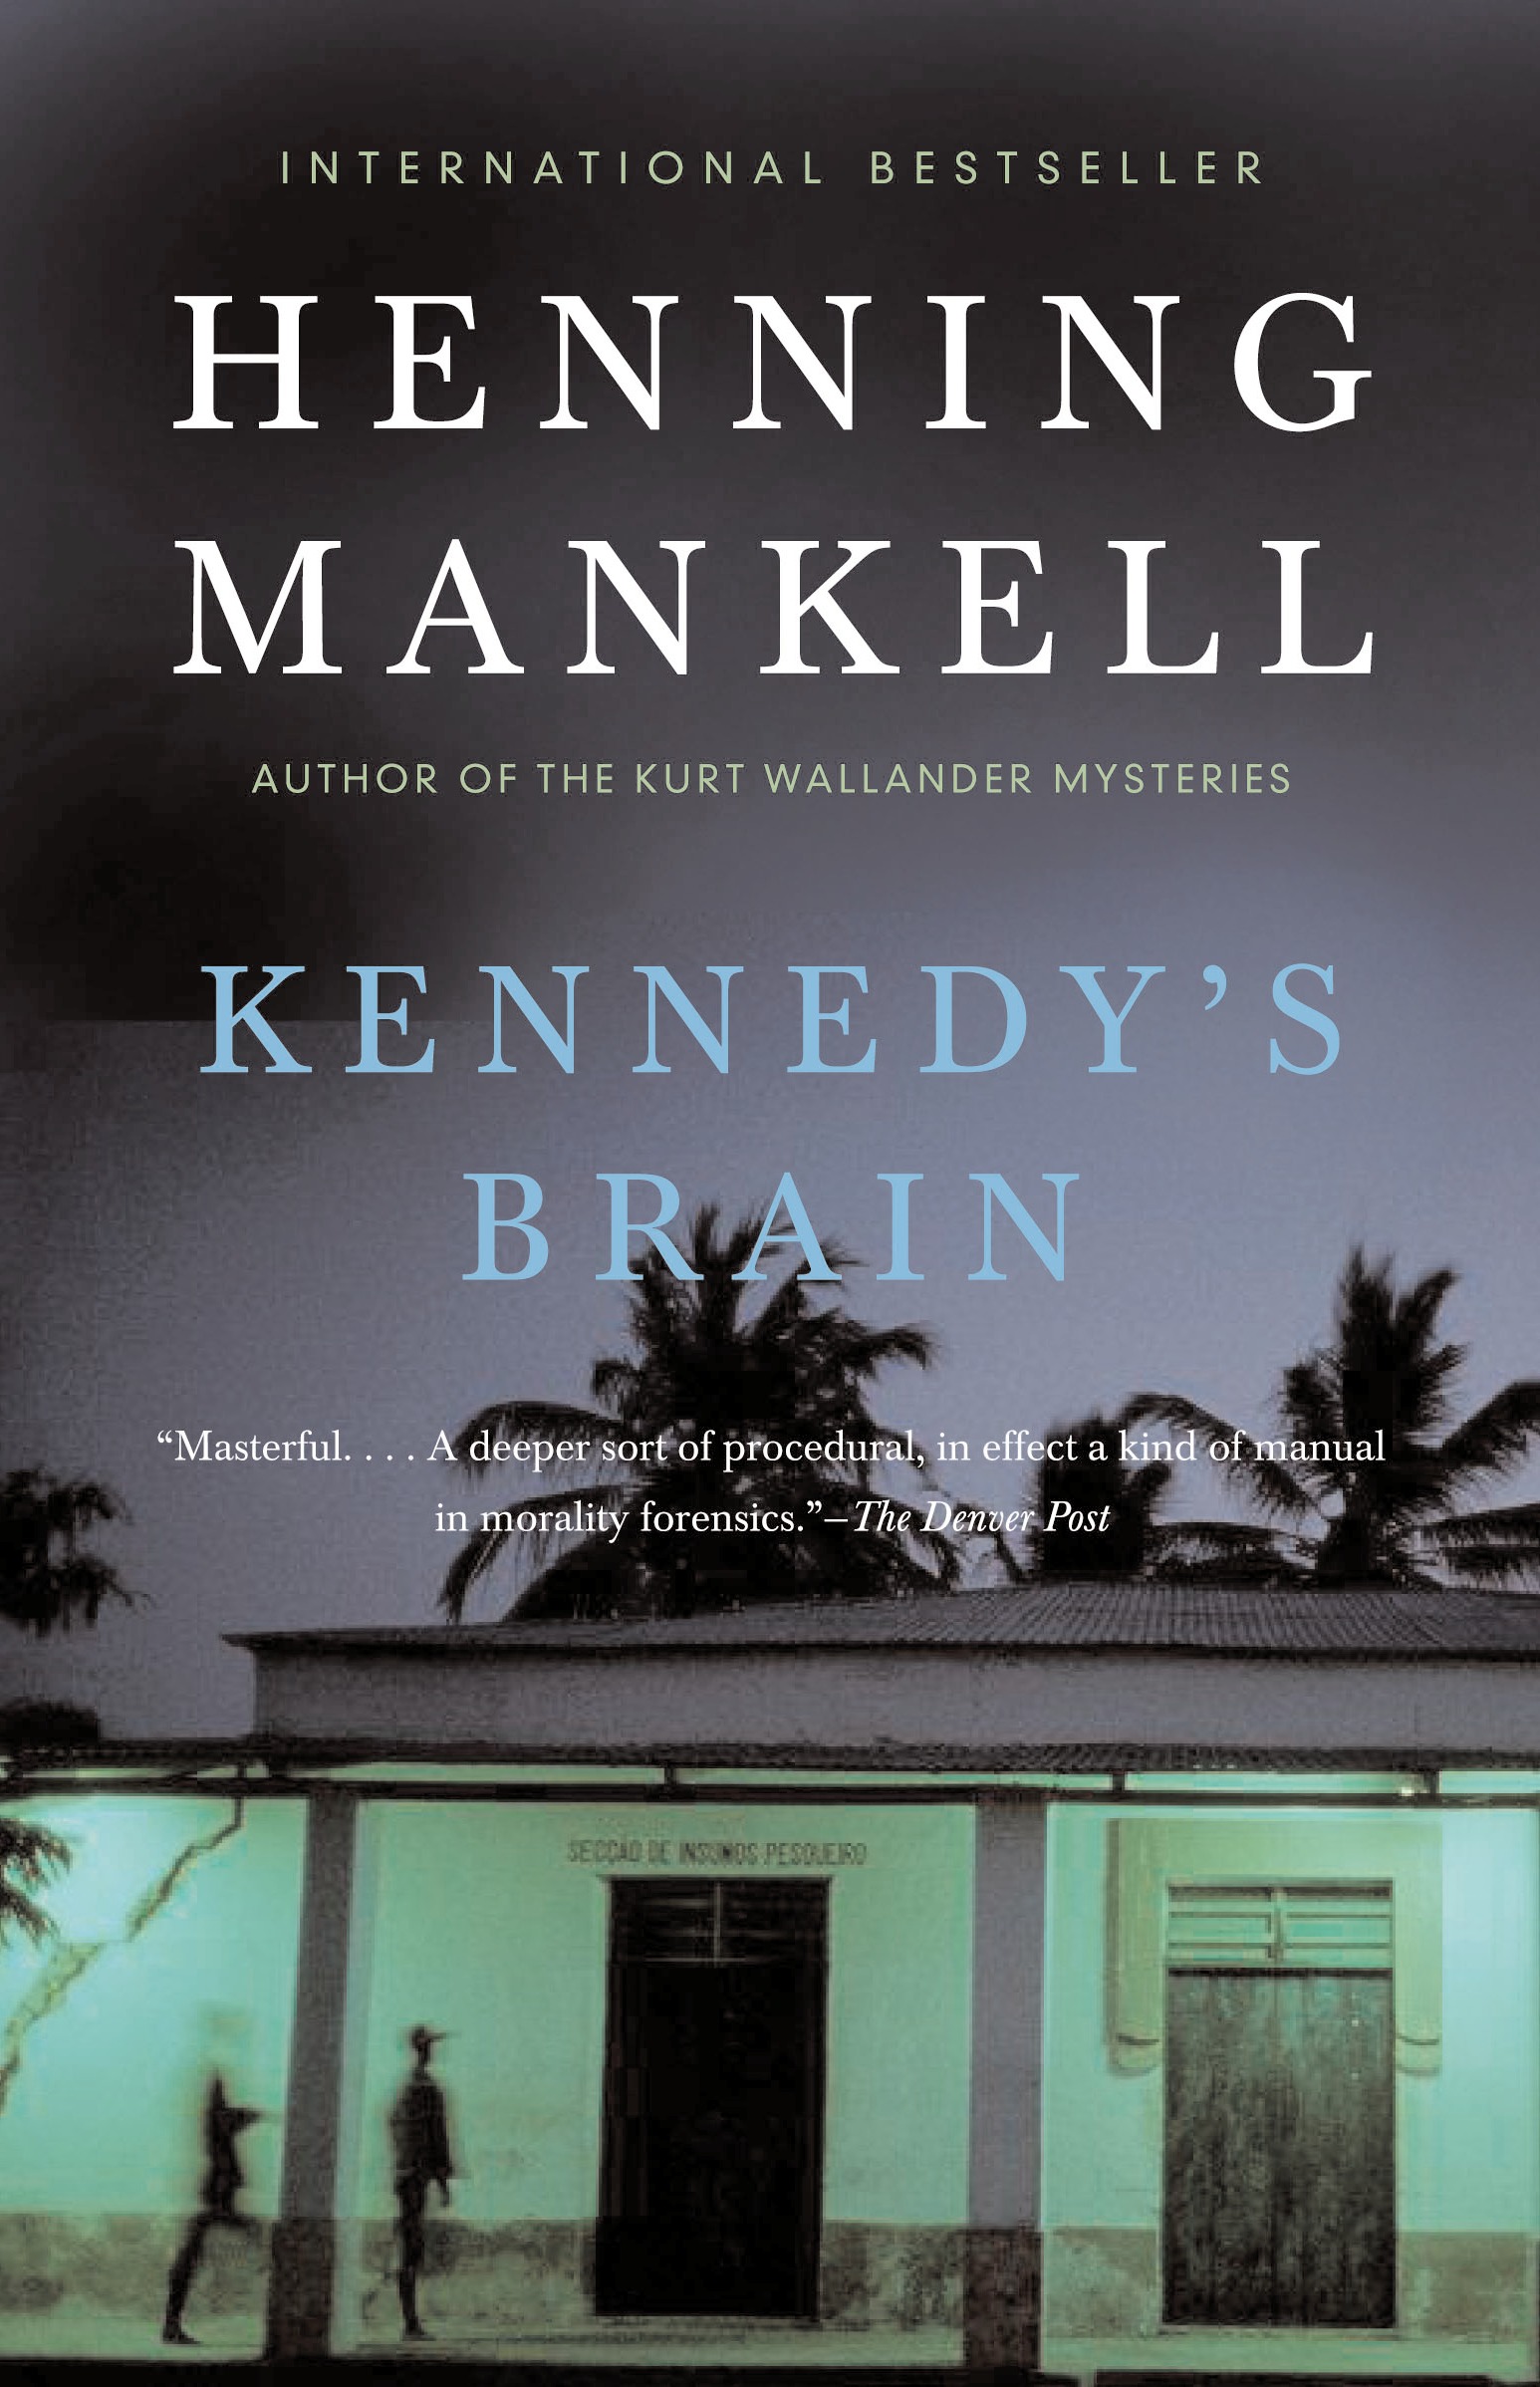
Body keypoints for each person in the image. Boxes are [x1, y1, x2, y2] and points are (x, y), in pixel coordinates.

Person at [162, 2072, 263, 2345]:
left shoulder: (215, 2118)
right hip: (218, 2196)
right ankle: (171, 2324)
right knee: (192, 2256)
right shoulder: (217, 2119)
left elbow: (234, 2119)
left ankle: (172, 2324)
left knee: (190, 2256)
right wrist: (258, 2115)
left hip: (217, 2195)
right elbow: (233, 2120)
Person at [388, 2024, 454, 2340]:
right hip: (416, 2177)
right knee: (412, 2247)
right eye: (429, 2045)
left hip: (407, 2175)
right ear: (423, 2049)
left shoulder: (407, 2087)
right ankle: (410, 2323)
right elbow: (437, 2136)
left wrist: (403, 2164)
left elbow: (394, 2125)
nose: (431, 2051)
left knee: (411, 2245)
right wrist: (442, 2181)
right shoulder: (425, 2088)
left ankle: (411, 2321)